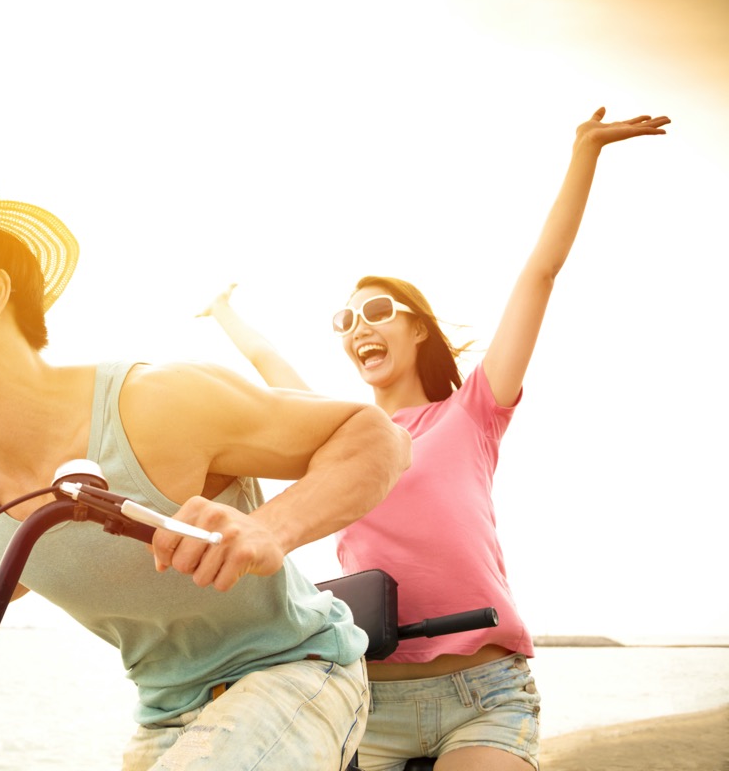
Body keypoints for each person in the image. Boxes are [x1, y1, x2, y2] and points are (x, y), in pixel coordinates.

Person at [0, 165, 412, 771]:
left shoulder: (153, 405)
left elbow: (376, 436)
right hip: (164, 713)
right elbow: (15, 557)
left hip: (293, 670)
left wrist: (271, 529)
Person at [198, 107, 670, 771]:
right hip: (369, 699)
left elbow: (538, 275)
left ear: (418, 328)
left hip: (484, 692)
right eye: (345, 319)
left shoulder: (473, 410)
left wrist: (584, 153)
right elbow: (272, 369)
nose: (359, 326)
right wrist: (222, 311)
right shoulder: (339, 435)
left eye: (379, 311)